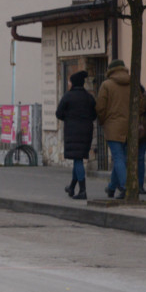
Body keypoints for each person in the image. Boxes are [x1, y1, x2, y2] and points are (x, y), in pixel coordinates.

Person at [55, 70, 97, 200]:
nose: (68, 84)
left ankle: (83, 190)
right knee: (77, 159)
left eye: (69, 82)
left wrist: (69, 118)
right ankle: (72, 187)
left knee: (77, 160)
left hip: (73, 132)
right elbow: (94, 114)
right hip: (87, 131)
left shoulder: (68, 96)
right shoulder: (89, 97)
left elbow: (59, 113)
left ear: (73, 83)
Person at [96, 59, 132, 199]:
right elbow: (140, 104)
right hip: (129, 127)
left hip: (112, 126)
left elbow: (100, 107)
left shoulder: (107, 85)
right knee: (121, 158)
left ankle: (124, 187)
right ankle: (111, 187)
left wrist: (102, 120)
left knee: (117, 158)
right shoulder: (132, 83)